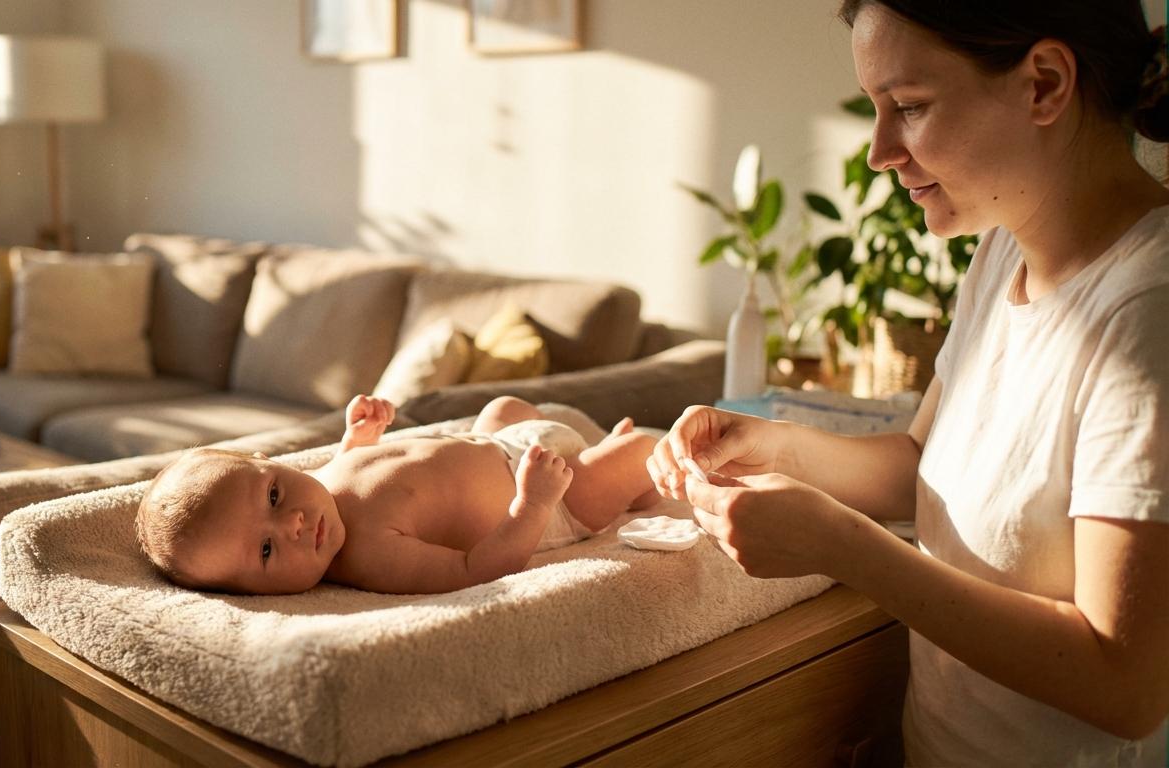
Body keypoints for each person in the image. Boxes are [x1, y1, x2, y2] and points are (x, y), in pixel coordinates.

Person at [648, 1, 1169, 764]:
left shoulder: (1146, 316)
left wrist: (845, 547)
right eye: (876, 109)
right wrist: (776, 447)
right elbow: (923, 466)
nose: (879, 151)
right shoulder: (1001, 257)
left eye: (910, 108)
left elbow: (1126, 686)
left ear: (1046, 84)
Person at [137, 395, 660, 595]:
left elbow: (354, 466)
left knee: (505, 405)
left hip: (499, 443)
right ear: (254, 593)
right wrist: (533, 504)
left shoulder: (319, 484)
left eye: (273, 496)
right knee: (641, 450)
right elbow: (476, 571)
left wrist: (359, 439)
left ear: (269, 465)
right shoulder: (369, 556)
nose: (293, 522)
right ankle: (629, 484)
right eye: (268, 550)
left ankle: (602, 459)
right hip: (554, 501)